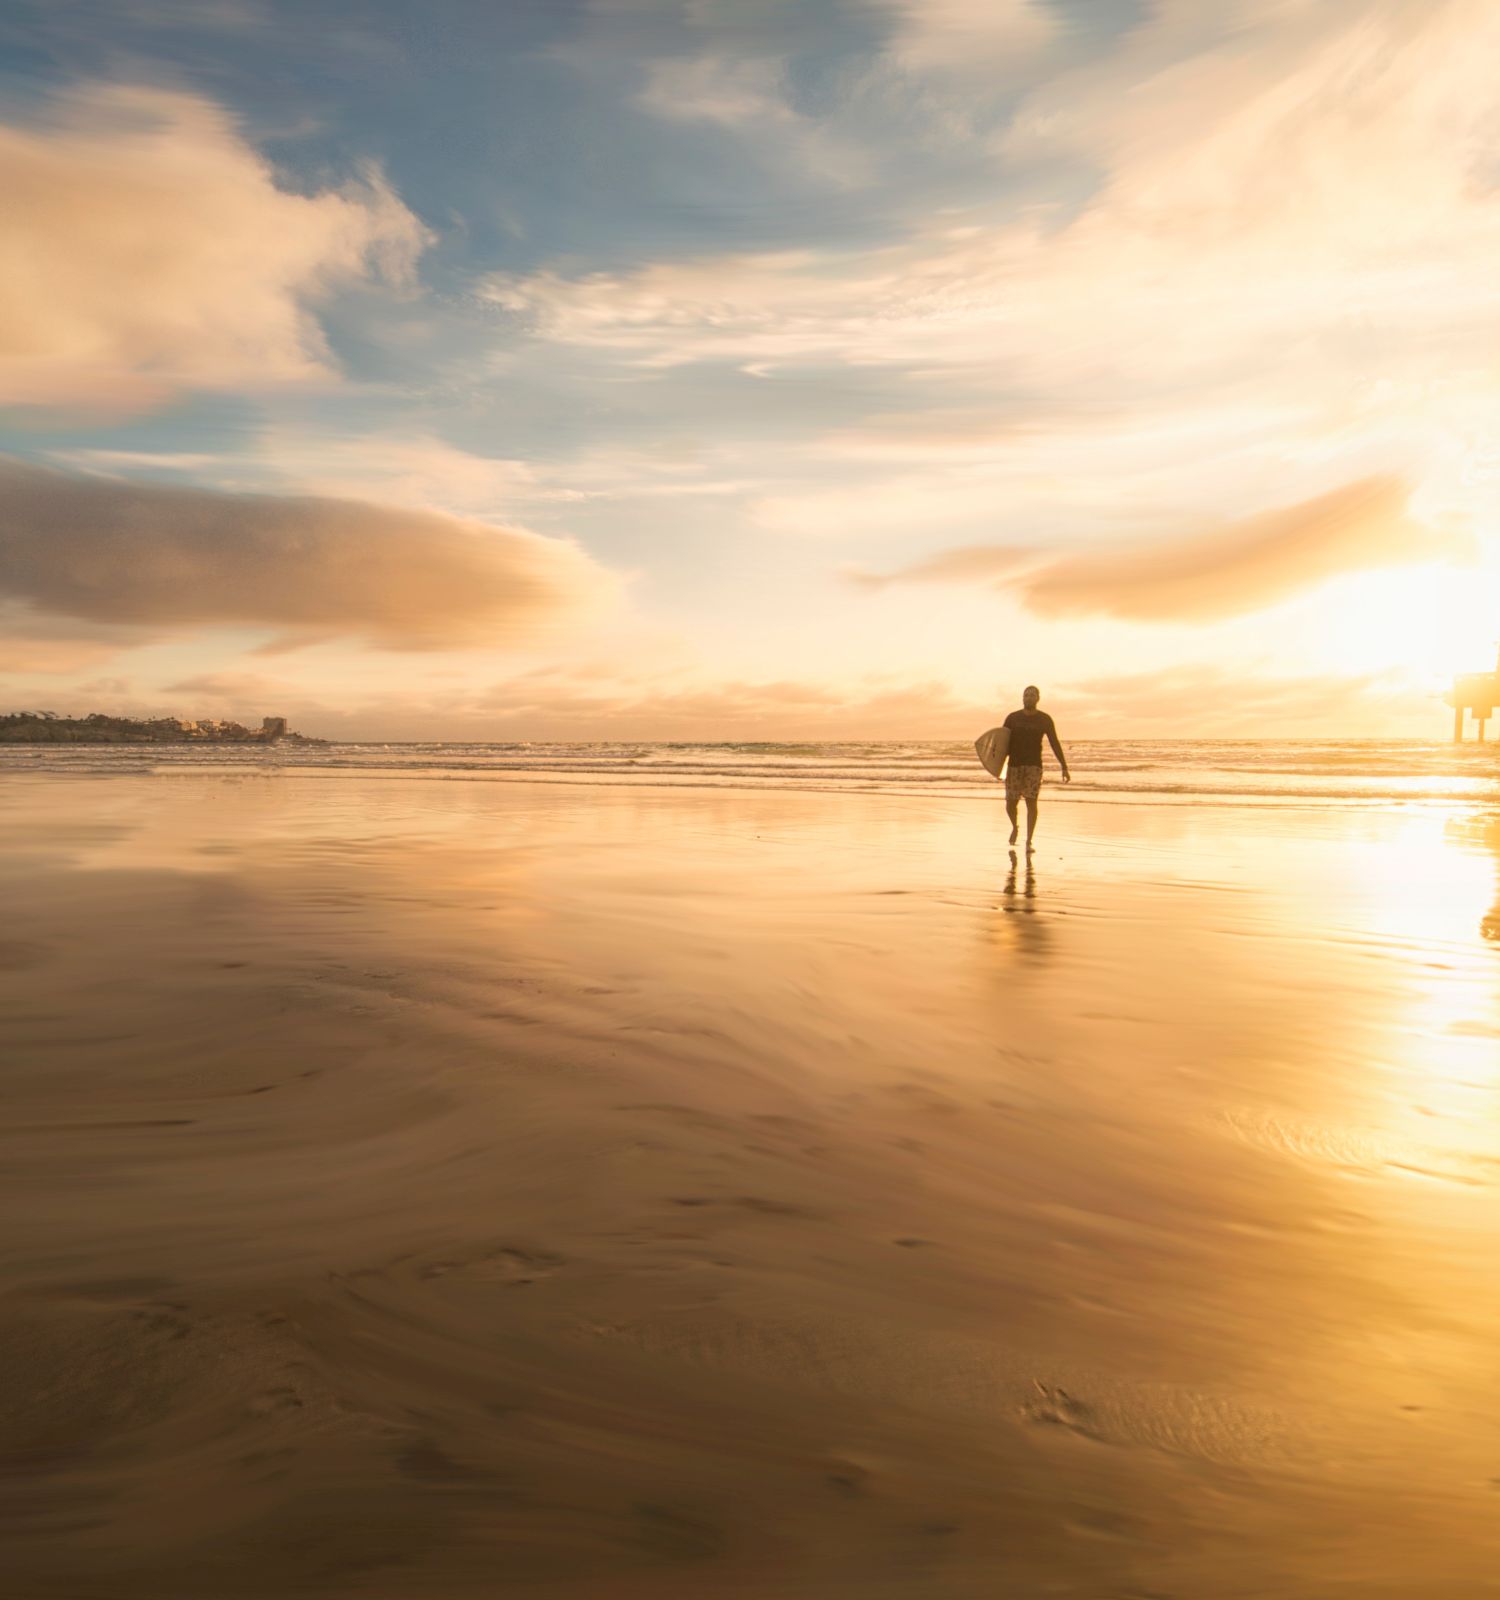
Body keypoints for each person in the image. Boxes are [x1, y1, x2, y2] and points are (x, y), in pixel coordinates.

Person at [1002, 686, 1069, 850]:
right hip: (1014, 766)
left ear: (1038, 698)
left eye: (1032, 695)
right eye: (1026, 695)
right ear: (1022, 698)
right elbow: (1002, 743)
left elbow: (1054, 742)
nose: (1028, 697)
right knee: (1011, 803)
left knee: (1031, 802)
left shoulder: (1044, 719)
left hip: (1034, 766)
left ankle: (1028, 841)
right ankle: (1015, 827)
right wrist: (997, 767)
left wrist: (1064, 766)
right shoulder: (1012, 718)